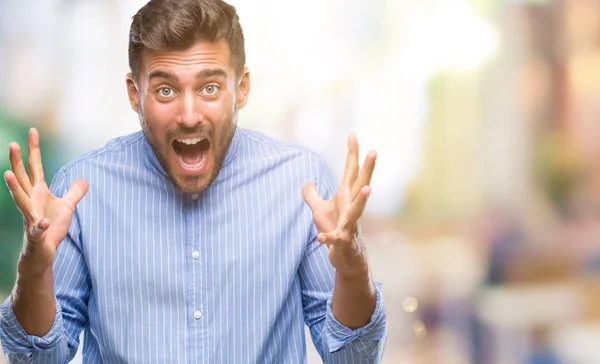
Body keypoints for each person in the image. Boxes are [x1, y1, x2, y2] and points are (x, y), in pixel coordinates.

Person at [0, 0, 387, 362]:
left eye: (210, 87)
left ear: (243, 88)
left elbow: (353, 357)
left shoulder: (301, 183)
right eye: (166, 89)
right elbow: (36, 359)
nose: (189, 115)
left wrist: (352, 269)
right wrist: (33, 270)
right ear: (135, 94)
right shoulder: (81, 190)